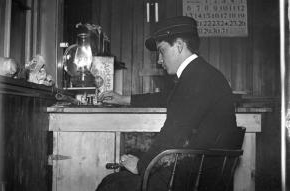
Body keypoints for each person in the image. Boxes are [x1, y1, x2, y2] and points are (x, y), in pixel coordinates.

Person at [96, 16, 241, 191]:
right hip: (204, 173)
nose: (159, 60)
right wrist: (123, 99)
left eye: (162, 51)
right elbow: (167, 97)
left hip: (192, 180)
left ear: (179, 46)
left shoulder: (195, 79)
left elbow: (172, 134)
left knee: (112, 184)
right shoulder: (201, 74)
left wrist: (141, 165)